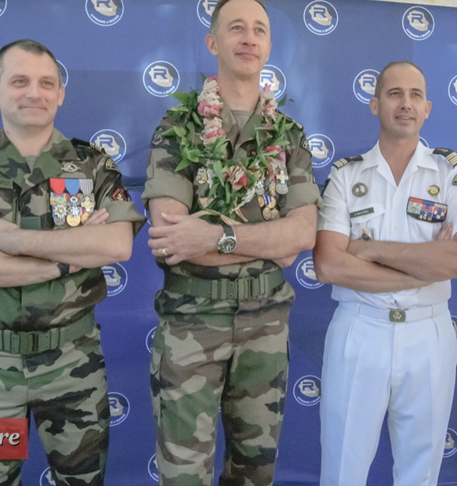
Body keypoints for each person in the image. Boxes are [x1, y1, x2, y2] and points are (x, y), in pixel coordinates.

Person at [0, 39, 145, 486]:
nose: (33, 93)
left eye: (46, 83)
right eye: (19, 81)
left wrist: (15, 240)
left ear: (60, 92)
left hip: (73, 361)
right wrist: (66, 258)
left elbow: (116, 245)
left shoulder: (92, 164)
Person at [141, 0, 320, 484]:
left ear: (267, 46)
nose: (248, 37)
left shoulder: (290, 135)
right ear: (212, 42)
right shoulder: (178, 130)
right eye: (235, 27)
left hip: (266, 325)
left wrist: (216, 235)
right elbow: (173, 240)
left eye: (259, 29)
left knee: (254, 474)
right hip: (191, 327)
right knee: (185, 475)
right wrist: (267, 241)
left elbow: (302, 235)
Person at [313, 61, 457, 486]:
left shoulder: (450, 172)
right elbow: (330, 263)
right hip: (359, 331)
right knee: (342, 470)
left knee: (420, 472)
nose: (405, 103)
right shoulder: (345, 174)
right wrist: (427, 262)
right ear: (375, 105)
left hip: (429, 336)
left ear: (427, 108)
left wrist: (370, 251)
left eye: (414, 95)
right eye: (394, 94)